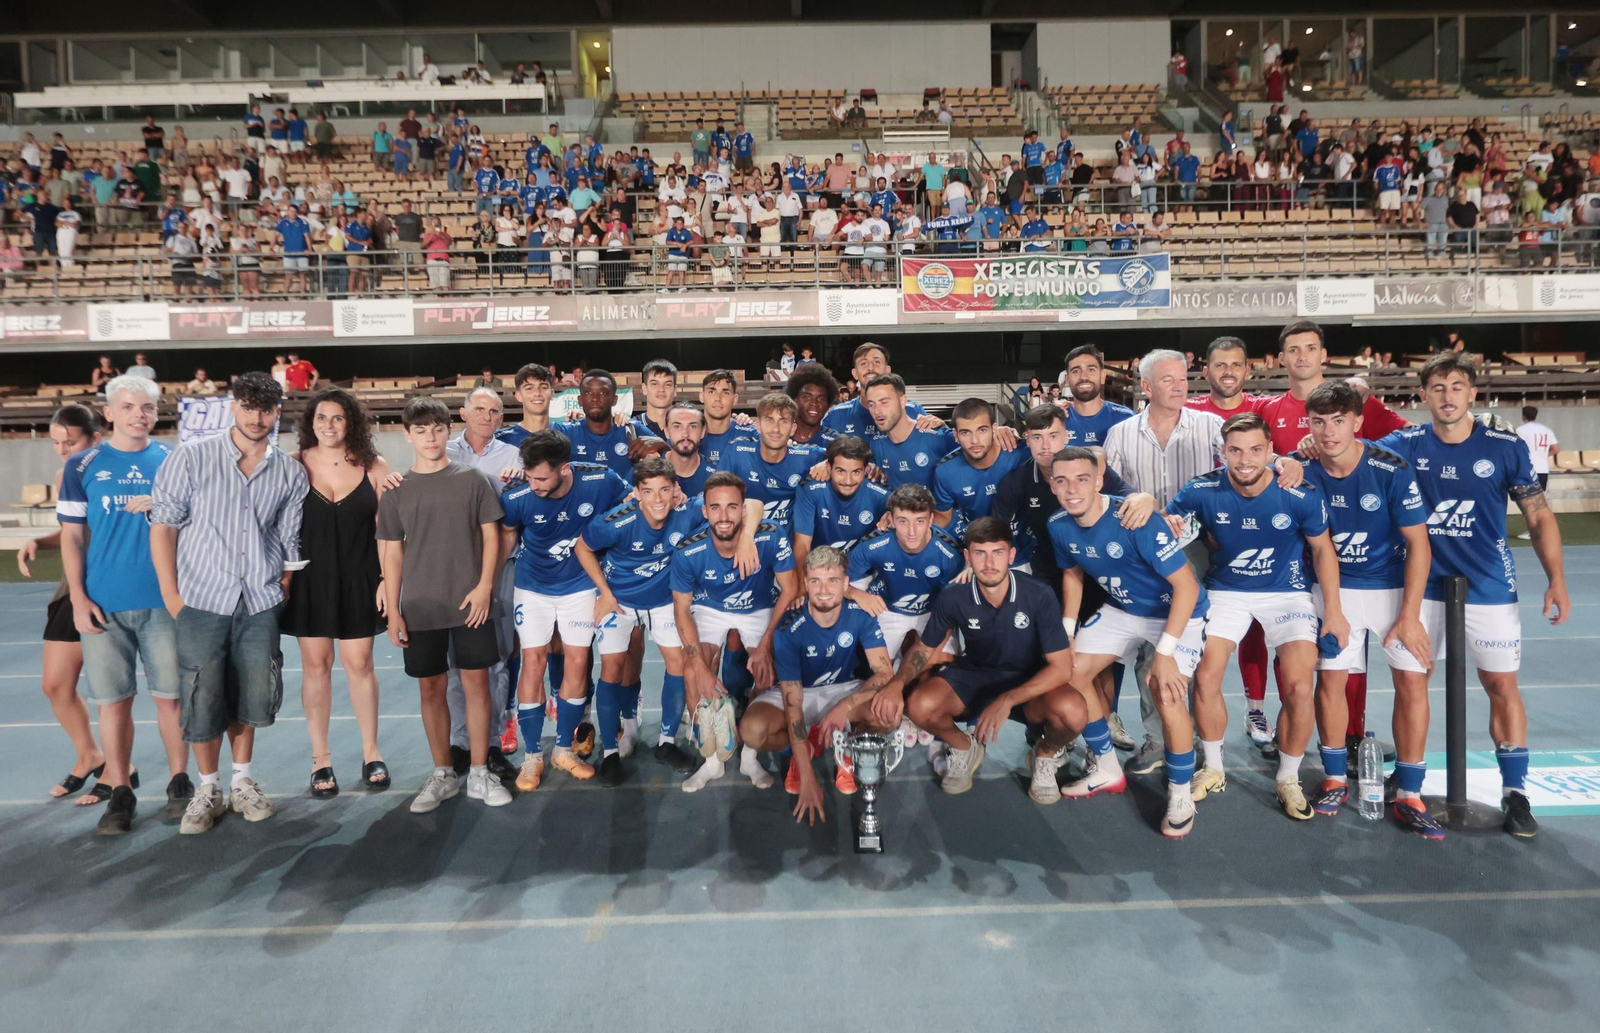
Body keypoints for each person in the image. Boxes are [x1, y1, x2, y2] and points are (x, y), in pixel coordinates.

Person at [1373, 354, 1569, 838]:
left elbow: (1538, 515)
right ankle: (1410, 780)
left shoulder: (1504, 447)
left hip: (1487, 586)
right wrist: (1306, 448)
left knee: (1501, 685)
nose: (1447, 396)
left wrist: (1557, 579)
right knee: (1411, 683)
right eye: (1438, 387)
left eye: (1457, 386)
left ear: (1473, 393)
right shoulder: (1404, 444)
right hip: (1419, 588)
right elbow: (1348, 453)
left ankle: (1515, 793)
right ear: (1423, 395)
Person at [1167, 412, 1346, 823]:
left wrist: (1333, 612)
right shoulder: (1201, 490)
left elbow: (1323, 550)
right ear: (1222, 452)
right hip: (1226, 591)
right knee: (1206, 677)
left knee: (1299, 686)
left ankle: (1288, 777)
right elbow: (1167, 524)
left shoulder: (1298, 494)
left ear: (1270, 451)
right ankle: (1213, 767)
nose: (1245, 460)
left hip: (1287, 593)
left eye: (1254, 450)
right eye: (1235, 450)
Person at [150, 372, 308, 835]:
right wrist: (172, 595)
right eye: (249, 407)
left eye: (266, 409)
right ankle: (208, 787)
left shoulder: (289, 472)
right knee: (202, 693)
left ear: (277, 411)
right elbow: (164, 527)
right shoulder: (190, 458)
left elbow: (288, 538)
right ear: (233, 406)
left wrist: (281, 587)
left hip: (259, 600)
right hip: (201, 598)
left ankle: (241, 780)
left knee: (251, 693)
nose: (257, 417)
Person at [1257, 321, 1409, 748]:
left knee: (1347, 656)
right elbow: (1255, 459)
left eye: (1310, 348)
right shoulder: (1269, 408)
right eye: (1293, 349)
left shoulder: (1357, 401)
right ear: (1281, 358)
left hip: (1356, 554)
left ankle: (1351, 735)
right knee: (1293, 650)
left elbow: (1407, 438)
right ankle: (1293, 732)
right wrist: (1287, 458)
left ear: (1324, 355)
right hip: (1296, 554)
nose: (1302, 356)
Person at [1297, 382, 1436, 834]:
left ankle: (1410, 790)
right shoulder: (1300, 467)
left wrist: (1410, 614)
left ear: (1358, 422)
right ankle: (1335, 778)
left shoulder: (1391, 468)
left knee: (1412, 681)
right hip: (1332, 589)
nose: (1328, 431)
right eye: (1319, 422)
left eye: (1339, 421)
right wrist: (1333, 608)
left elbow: (1419, 544)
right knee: (1331, 680)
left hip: (1392, 588)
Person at [1046, 448, 1206, 834]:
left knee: (1166, 691)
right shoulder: (1058, 524)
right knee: (1070, 673)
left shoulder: (1136, 519)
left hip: (1176, 611)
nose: (1072, 489)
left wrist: (1164, 654)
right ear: (1052, 485)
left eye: (1082, 479)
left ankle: (1180, 793)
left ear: (1099, 481)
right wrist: (1068, 631)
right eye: (1062, 481)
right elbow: (1072, 574)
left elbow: (1186, 587)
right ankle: (1106, 768)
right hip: (1123, 609)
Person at [869, 517, 1084, 802]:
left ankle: (1044, 754)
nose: (989, 563)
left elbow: (1062, 667)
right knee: (919, 705)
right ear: (968, 557)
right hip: (975, 675)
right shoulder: (953, 597)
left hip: (1027, 680)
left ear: (1011, 555)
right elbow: (924, 649)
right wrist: (897, 684)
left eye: (997, 552)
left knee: (1073, 712)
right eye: (980, 553)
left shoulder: (1039, 594)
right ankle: (964, 747)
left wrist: (1007, 700)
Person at [378, 397, 509, 813]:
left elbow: (491, 535)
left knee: (477, 685)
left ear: (448, 430)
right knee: (431, 688)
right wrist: (394, 609)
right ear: (407, 435)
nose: (430, 437)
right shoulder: (396, 489)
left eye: (437, 428)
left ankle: (479, 771)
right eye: (421, 430)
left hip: (471, 603)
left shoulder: (473, 479)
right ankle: (443, 774)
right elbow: (392, 552)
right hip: (421, 605)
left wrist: (485, 586)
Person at [498, 430, 630, 785]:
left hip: (580, 586)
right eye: (529, 476)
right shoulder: (518, 495)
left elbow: (633, 502)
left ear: (564, 469)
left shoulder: (601, 479)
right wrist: (490, 582)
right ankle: (531, 756)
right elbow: (507, 534)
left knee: (578, 660)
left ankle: (562, 749)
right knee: (533, 660)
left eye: (541, 478)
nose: (534, 484)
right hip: (532, 587)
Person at [281, 389, 392, 797]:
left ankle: (371, 752)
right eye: (322, 418)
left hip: (361, 578)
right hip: (310, 581)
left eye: (338, 418)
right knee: (316, 665)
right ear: (310, 422)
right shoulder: (292, 465)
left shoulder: (375, 466)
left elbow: (388, 531)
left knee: (359, 663)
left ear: (351, 423)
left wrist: (387, 579)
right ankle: (321, 759)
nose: (329, 425)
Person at [576, 455, 709, 784]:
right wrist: (605, 593)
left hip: (663, 601)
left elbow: (741, 504)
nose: (658, 499)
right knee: (612, 669)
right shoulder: (616, 521)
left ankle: (666, 743)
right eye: (648, 491)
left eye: (664, 489)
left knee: (678, 663)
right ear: (636, 493)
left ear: (676, 488)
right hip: (620, 601)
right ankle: (610, 752)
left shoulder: (689, 510)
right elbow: (582, 547)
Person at [748, 546, 899, 820]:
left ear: (845, 583)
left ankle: (848, 749)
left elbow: (884, 673)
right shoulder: (789, 626)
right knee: (752, 730)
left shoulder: (860, 614)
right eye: (815, 581)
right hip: (799, 691)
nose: (824, 589)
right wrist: (808, 777)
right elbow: (793, 704)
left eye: (832, 580)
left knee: (889, 714)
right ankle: (802, 752)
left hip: (843, 688)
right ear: (805, 584)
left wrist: (844, 707)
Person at [672, 472, 800, 792]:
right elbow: (681, 609)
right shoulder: (688, 550)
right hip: (711, 607)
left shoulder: (770, 536)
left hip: (758, 607)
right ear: (705, 511)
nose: (724, 516)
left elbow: (790, 589)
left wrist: (765, 644)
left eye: (732, 507)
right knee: (692, 672)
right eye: (715, 508)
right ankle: (712, 762)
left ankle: (749, 758)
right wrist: (700, 666)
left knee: (767, 669)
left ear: (744, 509)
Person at [22, 406, 106, 803]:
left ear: (95, 438)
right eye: (56, 443)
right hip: (72, 590)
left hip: (111, 589)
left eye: (69, 442)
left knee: (111, 691)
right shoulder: (64, 476)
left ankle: (119, 771)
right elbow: (73, 531)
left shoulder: (113, 473)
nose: (62, 450)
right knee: (55, 685)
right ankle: (90, 754)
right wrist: (39, 541)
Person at [845, 484, 965, 667]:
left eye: (919, 521)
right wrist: (857, 594)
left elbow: (951, 609)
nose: (911, 532)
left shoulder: (950, 555)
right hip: (887, 608)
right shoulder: (873, 545)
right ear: (891, 520)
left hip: (932, 612)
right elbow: (835, 580)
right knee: (879, 671)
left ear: (931, 519)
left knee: (937, 666)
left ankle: (910, 651)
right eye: (903, 521)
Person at [931, 398, 1031, 538]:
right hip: (976, 545)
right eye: (965, 432)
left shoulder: (1022, 454)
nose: (975, 440)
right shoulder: (945, 471)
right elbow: (943, 517)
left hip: (1025, 547)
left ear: (994, 429)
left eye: (982, 430)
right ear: (956, 435)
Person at [792, 435, 890, 568]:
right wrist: (806, 580)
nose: (848, 481)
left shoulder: (882, 495)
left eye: (856, 472)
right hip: (819, 570)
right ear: (828, 467)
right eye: (840, 471)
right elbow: (802, 545)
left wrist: (892, 514)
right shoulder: (811, 490)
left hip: (861, 574)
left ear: (866, 469)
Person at [563, 369, 666, 481]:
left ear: (614, 400)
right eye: (588, 393)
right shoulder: (567, 431)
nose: (595, 399)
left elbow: (670, 455)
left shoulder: (632, 429)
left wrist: (662, 444)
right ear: (580, 400)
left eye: (603, 393)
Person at [1516, 406, 1559, 536]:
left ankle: (1534, 531)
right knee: (1540, 503)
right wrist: (1542, 455)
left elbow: (1515, 449)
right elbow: (1556, 449)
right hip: (1543, 469)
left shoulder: (1520, 430)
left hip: (1528, 470)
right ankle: (1541, 530)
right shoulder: (1546, 430)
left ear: (1523, 416)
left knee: (1528, 503)